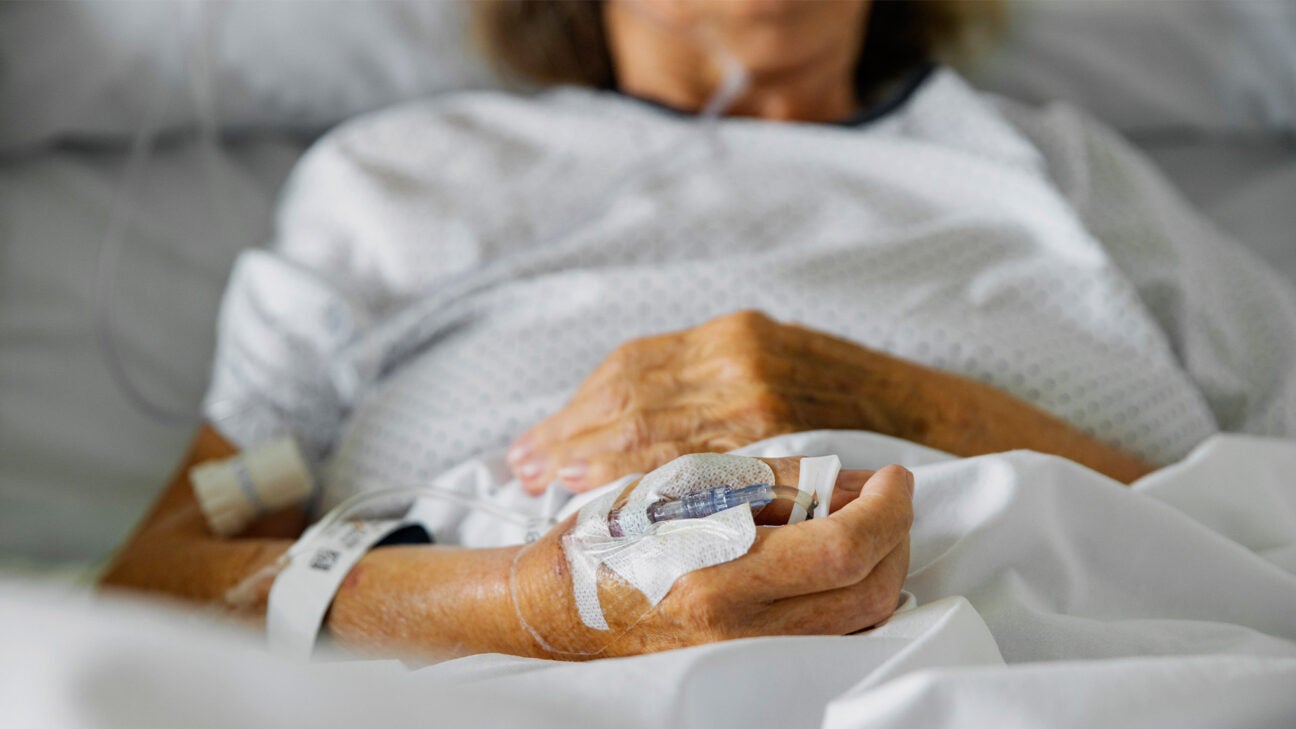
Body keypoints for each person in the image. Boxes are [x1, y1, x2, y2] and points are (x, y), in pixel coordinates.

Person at [101, 0, 1296, 661]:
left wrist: (922, 411)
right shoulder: (404, 182)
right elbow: (167, 573)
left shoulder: (1068, 176)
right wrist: (530, 606)